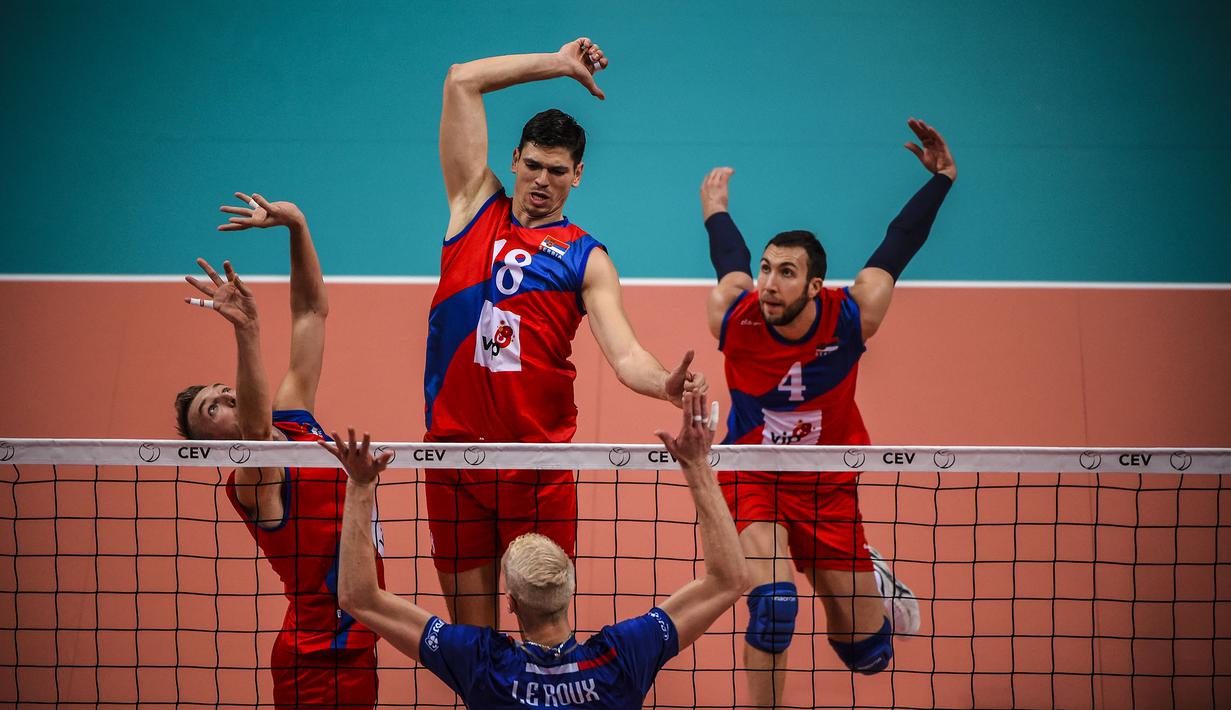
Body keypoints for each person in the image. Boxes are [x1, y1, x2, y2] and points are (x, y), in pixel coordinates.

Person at [427, 37, 703, 627]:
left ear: (578, 175)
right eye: (532, 165)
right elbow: (461, 79)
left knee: (544, 639)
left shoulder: (586, 258)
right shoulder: (472, 207)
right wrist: (559, 65)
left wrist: (664, 385)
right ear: (514, 160)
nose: (541, 180)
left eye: (557, 171)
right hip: (454, 460)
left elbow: (625, 354)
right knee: (472, 645)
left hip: (538, 467)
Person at [700, 119, 956, 704]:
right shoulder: (734, 317)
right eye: (768, 268)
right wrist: (715, 209)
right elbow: (730, 261)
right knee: (774, 606)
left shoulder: (854, 317)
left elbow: (898, 244)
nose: (769, 283)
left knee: (868, 656)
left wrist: (942, 179)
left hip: (827, 483)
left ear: (815, 286)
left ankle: (871, 573)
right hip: (753, 474)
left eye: (786, 273)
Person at [320, 390, 747, 708]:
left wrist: (360, 484)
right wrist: (697, 465)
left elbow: (358, 597)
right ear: (570, 589)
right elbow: (729, 580)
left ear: (511, 603)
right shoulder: (622, 657)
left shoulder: (482, 664)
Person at [173, 194, 383, 709]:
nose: (226, 397)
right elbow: (254, 435)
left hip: (357, 640)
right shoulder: (253, 481)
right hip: (315, 662)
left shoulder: (294, 419)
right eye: (211, 410)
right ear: (211, 447)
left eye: (222, 390)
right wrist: (247, 330)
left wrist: (298, 228)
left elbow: (311, 313)